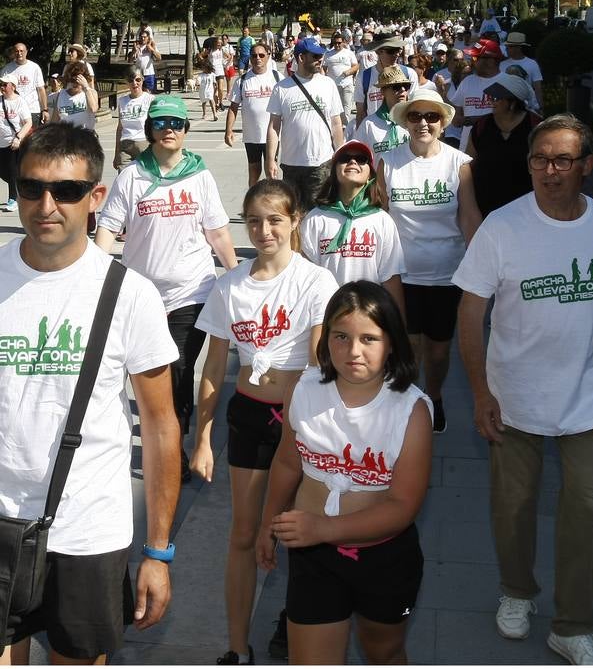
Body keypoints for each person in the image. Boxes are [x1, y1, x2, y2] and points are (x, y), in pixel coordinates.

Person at [0, 123, 180, 665]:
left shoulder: (130, 294)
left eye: (67, 191)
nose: (46, 205)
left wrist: (157, 553)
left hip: (88, 528)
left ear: (96, 197)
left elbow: (160, 425)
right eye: (31, 188)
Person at [453, 114, 593, 666]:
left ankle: (574, 623)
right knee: (514, 508)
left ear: (587, 166)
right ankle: (517, 593)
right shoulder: (503, 227)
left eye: (564, 160)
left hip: (589, 399)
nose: (550, 171)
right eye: (540, 159)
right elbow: (471, 311)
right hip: (514, 397)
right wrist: (480, 390)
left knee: (588, 508)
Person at [191, 179, 338, 665]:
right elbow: (214, 365)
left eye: (275, 219)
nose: (264, 230)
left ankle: (297, 626)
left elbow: (318, 359)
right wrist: (204, 436)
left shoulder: (316, 282)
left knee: (297, 532)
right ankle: (236, 645)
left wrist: (305, 432)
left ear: (295, 220)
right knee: (244, 532)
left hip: (301, 421)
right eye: (254, 220)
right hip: (250, 416)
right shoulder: (229, 285)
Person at [256, 281, 433, 665]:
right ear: (326, 338)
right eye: (341, 336)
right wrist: (268, 523)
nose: (353, 351)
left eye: (369, 338)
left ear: (392, 343)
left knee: (383, 650)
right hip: (313, 555)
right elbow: (288, 462)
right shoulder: (303, 389)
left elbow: (403, 506)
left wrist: (323, 528)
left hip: (385, 559)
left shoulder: (411, 411)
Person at [95, 95, 237, 482]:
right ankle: (155, 433)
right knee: (146, 372)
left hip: (192, 291)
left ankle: (175, 448)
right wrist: (92, 273)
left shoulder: (200, 176)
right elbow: (108, 227)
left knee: (177, 369)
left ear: (186, 130)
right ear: (150, 130)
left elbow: (218, 231)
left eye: (176, 122)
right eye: (161, 123)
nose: (169, 129)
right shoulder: (132, 177)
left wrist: (236, 275)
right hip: (140, 295)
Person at [377, 90, 481, 435]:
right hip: (402, 275)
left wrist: (482, 267)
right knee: (408, 347)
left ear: (442, 122)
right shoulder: (388, 162)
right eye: (415, 116)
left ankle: (433, 396)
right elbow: (379, 217)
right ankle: (406, 403)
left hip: (448, 275)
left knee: (438, 352)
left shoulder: (458, 163)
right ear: (405, 121)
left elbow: (468, 216)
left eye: (431, 117)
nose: (423, 123)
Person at [300, 140, 405, 314]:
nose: (353, 162)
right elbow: (305, 276)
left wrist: (398, 327)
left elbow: (391, 278)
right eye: (345, 158)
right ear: (334, 171)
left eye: (361, 159)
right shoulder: (315, 219)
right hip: (326, 313)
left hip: (370, 313)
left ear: (370, 174)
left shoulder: (382, 220)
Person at [266, 39, 344, 213]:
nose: (320, 60)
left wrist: (340, 155)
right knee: (292, 215)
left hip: (321, 163)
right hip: (291, 164)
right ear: (301, 58)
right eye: (315, 56)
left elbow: (336, 123)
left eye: (321, 56)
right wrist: (271, 159)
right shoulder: (282, 88)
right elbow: (273, 127)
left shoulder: (328, 84)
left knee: (320, 214)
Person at [466, 73, 541, 217]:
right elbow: (468, 165)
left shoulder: (536, 127)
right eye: (490, 97)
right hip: (485, 208)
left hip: (525, 208)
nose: (491, 102)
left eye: (496, 98)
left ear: (512, 103)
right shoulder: (482, 126)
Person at [226, 42, 281, 187]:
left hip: (272, 135)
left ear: (268, 56)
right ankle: (252, 203)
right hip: (251, 135)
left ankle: (272, 204)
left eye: (262, 55)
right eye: (254, 55)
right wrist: (228, 131)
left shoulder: (277, 77)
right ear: (250, 58)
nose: (258, 58)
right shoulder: (242, 80)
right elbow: (233, 107)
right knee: (254, 172)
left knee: (271, 171)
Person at [353, 35, 417, 129]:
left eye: (398, 50)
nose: (397, 54)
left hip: (402, 131)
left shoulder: (409, 74)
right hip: (374, 132)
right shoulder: (364, 77)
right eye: (391, 51)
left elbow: (414, 106)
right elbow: (360, 112)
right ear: (378, 51)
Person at [452, 38, 502, 150]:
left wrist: (476, 120)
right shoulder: (467, 81)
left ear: (491, 61)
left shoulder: (508, 82)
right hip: (467, 147)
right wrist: (459, 119)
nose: (472, 61)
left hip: (497, 147)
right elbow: (456, 117)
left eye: (475, 57)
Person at [354, 65, 410, 164]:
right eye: (396, 87)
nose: (402, 90)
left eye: (406, 86)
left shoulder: (414, 121)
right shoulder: (368, 124)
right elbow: (359, 158)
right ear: (383, 91)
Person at [0, 73, 32, 212]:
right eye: (1, 84)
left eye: (4, 84)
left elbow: (28, 122)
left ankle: (13, 198)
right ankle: (20, 187)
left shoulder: (20, 102)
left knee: (13, 170)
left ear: (13, 86)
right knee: (3, 172)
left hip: (14, 142)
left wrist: (19, 138)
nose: (2, 87)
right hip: (0, 141)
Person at [112, 68, 154, 170]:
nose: (134, 83)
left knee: (144, 179)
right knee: (123, 179)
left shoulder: (150, 99)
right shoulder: (122, 101)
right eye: (131, 81)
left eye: (138, 80)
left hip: (144, 144)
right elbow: (120, 128)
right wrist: (116, 153)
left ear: (143, 80)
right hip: (125, 145)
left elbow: (154, 126)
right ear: (126, 82)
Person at [1, 42, 48, 128]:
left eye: (21, 51)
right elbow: (1, 90)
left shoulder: (34, 68)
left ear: (26, 52)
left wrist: (44, 109)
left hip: (32, 110)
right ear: (13, 52)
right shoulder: (6, 69)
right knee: (15, 138)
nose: (19, 53)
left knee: (31, 140)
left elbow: (41, 89)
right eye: (17, 51)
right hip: (13, 111)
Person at [499, 31, 544, 112]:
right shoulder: (501, 65)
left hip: (527, 109)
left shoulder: (532, 64)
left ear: (518, 47)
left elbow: (538, 88)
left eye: (509, 47)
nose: (506, 49)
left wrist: (541, 108)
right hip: (506, 109)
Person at [322, 34, 359, 127]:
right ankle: (336, 126)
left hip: (347, 84)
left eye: (339, 43)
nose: (337, 45)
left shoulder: (349, 53)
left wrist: (348, 72)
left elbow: (356, 66)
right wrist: (323, 78)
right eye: (335, 43)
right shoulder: (328, 54)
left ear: (343, 42)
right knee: (335, 108)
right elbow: (323, 68)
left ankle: (346, 128)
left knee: (346, 107)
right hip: (333, 86)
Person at [51, 61, 98, 130]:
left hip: (85, 135)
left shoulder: (91, 93)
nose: (74, 84)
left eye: (77, 82)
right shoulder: (61, 95)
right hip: (66, 136)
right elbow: (54, 120)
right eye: (72, 81)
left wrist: (86, 87)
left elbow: (93, 109)